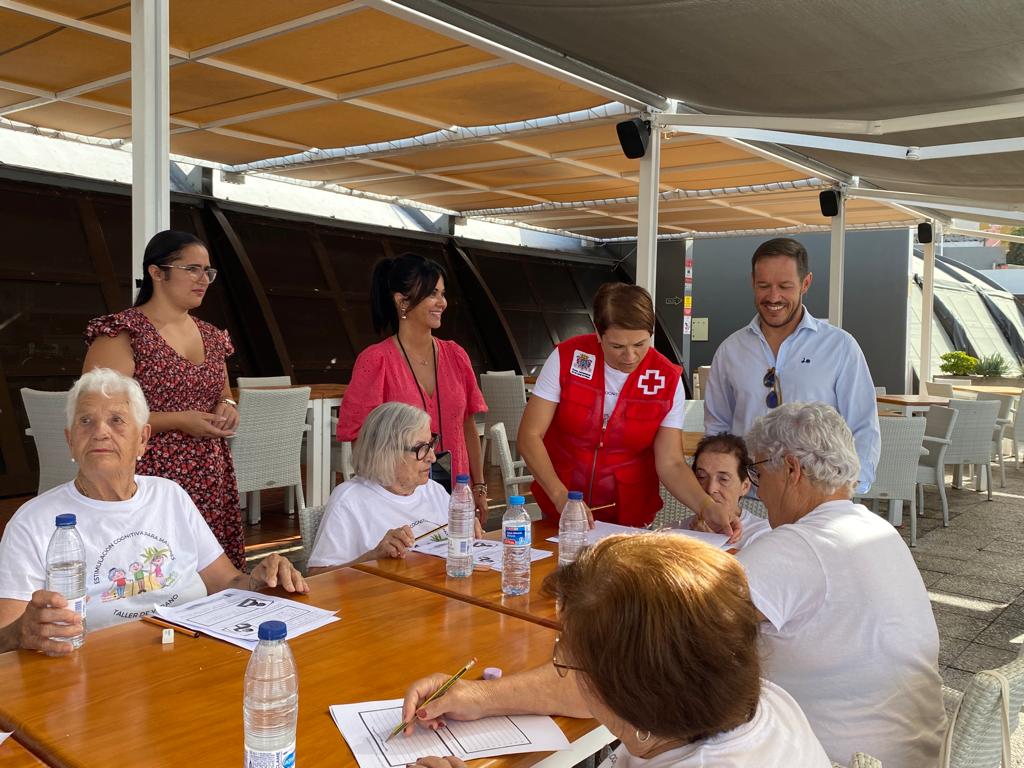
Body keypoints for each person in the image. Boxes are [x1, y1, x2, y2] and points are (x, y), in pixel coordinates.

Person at [401, 534, 830, 768]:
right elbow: (579, 690)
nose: (563, 668)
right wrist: (478, 697)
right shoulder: (757, 701)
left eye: (567, 656)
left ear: (624, 691)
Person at [0, 369, 308, 656]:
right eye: (85, 421)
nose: (100, 433)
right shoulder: (33, 522)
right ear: (70, 441)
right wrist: (20, 633)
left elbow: (226, 582)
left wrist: (262, 580)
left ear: (143, 439)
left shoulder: (169, 495)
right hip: (95, 679)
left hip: (190, 662)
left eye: (117, 420)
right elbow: (6, 638)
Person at [737, 402, 945, 766]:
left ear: (790, 469)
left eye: (757, 474)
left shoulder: (796, 546)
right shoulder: (877, 529)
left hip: (840, 759)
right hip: (920, 752)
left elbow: (688, 617)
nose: (759, 492)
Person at [82, 230, 246, 569]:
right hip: (146, 473)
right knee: (151, 571)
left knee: (211, 574)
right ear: (157, 272)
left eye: (208, 271)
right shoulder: (124, 332)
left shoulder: (212, 336)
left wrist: (227, 408)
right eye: (193, 269)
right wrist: (179, 420)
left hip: (208, 472)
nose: (204, 279)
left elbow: (224, 393)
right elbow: (99, 416)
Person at [518, 282, 737, 535]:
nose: (630, 356)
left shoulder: (666, 379)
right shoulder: (568, 358)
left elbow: (671, 463)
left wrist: (706, 506)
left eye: (640, 344)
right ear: (598, 335)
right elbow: (530, 436)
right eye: (617, 346)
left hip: (631, 515)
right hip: (561, 509)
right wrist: (559, 495)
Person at [703, 237, 880, 492]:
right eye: (764, 285)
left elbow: (863, 425)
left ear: (805, 283)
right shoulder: (730, 350)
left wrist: (854, 487)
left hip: (817, 498)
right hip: (749, 497)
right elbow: (717, 428)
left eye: (785, 286)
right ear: (752, 282)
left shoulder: (840, 347)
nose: (773, 296)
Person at [336, 254, 488, 522]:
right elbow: (360, 439)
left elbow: (467, 426)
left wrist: (479, 486)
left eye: (443, 293)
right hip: (400, 501)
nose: (442, 302)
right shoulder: (376, 360)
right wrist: (383, 497)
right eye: (432, 293)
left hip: (456, 492)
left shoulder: (456, 355)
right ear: (402, 300)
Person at [308, 403, 480, 571]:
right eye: (422, 448)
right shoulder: (350, 499)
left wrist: (468, 527)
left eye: (431, 444)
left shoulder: (433, 490)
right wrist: (373, 557)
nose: (432, 458)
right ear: (388, 452)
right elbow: (317, 577)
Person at [683, 434, 769, 550]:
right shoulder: (677, 532)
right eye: (702, 477)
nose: (711, 488)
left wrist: (709, 542)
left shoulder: (762, 533)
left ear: (745, 486)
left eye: (723, 479)